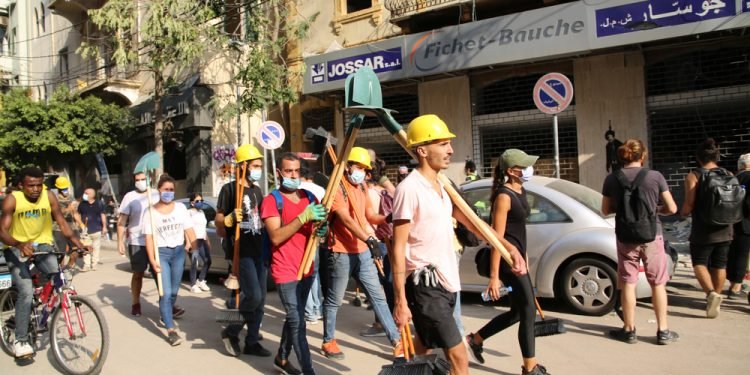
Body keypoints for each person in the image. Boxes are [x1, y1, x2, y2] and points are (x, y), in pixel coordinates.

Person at [391, 115, 489, 375]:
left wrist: (507, 247)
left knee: (423, 350)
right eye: (443, 144)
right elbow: (397, 247)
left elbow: (471, 222)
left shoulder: (443, 186)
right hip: (425, 283)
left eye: (449, 144)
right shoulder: (409, 189)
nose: (451, 150)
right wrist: (400, 301)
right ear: (422, 151)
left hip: (448, 281)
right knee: (458, 356)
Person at [463, 149, 547, 374]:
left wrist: (525, 253)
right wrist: (494, 277)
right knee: (528, 310)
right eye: (525, 165)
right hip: (507, 261)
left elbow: (518, 229)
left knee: (518, 313)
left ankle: (476, 339)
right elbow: (495, 237)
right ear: (511, 170)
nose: (530, 169)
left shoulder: (519, 190)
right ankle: (530, 366)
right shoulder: (503, 196)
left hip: (518, 258)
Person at [0, 167, 90, 359]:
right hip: (16, 247)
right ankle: (21, 339)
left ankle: (41, 310)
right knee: (25, 291)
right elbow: (2, 231)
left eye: (39, 185)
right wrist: (19, 243)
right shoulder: (12, 199)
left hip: (43, 244)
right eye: (31, 185)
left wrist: (78, 243)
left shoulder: (49, 196)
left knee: (58, 278)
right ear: (21, 185)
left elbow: (63, 223)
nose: (35, 189)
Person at [320, 146, 401, 360]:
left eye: (365, 169)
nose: (362, 172)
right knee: (334, 300)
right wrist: (369, 238)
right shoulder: (336, 186)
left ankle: (396, 340)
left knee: (378, 298)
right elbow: (345, 219)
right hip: (340, 252)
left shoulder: (363, 186)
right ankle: (328, 341)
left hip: (363, 252)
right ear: (347, 167)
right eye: (358, 167)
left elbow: (369, 216)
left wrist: (386, 218)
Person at [601, 139, 679, 345]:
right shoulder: (655, 176)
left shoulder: (611, 179)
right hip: (652, 234)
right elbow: (672, 208)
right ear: (642, 156)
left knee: (628, 281)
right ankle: (663, 331)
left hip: (625, 235)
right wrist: (657, 210)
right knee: (658, 283)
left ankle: (629, 329)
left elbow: (605, 209)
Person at [262, 153, 328, 375]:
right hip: (285, 271)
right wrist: (302, 218)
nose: (293, 175)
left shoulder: (309, 198)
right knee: (298, 323)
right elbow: (276, 237)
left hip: (307, 268)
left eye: (297, 171)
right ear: (279, 173)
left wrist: (322, 230)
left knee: (295, 316)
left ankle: (281, 358)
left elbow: (317, 231)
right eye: (288, 171)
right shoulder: (272, 201)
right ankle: (309, 370)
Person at [217, 143, 272, 358]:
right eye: (255, 165)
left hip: (259, 250)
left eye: (260, 164)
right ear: (243, 166)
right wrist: (229, 219)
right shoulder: (229, 189)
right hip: (242, 252)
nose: (258, 168)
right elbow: (219, 221)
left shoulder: (257, 190)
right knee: (254, 297)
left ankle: (252, 341)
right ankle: (231, 331)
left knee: (260, 301)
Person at [681, 138, 734, 318]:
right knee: (720, 263)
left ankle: (711, 294)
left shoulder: (694, 175)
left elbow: (689, 205)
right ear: (716, 156)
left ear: (698, 157)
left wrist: (682, 212)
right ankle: (716, 297)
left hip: (703, 227)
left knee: (699, 263)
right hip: (726, 226)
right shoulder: (728, 173)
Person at [143, 174, 198, 346]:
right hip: (162, 254)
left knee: (174, 292)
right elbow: (149, 239)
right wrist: (152, 260)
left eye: (171, 190)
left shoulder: (181, 208)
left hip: (178, 253)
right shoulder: (150, 212)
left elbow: (189, 230)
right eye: (165, 189)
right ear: (159, 190)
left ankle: (165, 311)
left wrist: (195, 249)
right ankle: (170, 329)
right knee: (165, 293)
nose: (168, 192)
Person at [117, 171, 161, 317]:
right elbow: (122, 221)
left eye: (143, 179)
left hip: (155, 240)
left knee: (159, 273)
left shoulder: (156, 194)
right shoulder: (129, 197)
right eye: (138, 179)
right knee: (138, 273)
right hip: (137, 240)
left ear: (149, 179)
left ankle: (166, 304)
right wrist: (120, 242)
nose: (140, 181)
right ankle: (135, 303)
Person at [299, 164, 325, 325]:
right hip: (317, 235)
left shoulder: (299, 190)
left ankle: (309, 312)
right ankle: (317, 308)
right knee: (315, 275)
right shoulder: (320, 189)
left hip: (303, 235)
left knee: (305, 274)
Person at [726, 153, 750, 299]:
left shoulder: (732, 178)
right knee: (742, 254)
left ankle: (733, 283)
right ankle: (736, 288)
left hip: (730, 220)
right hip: (746, 221)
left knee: (734, 253)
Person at [75, 187, 107, 271]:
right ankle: (87, 265)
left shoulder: (99, 203)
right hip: (85, 230)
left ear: (92, 195)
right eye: (84, 193)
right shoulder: (82, 204)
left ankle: (94, 264)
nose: (84, 195)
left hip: (97, 229)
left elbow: (103, 215)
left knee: (96, 248)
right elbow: (77, 214)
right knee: (86, 247)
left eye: (87, 193)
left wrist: (104, 227)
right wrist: (78, 224)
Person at [187, 193, 212, 293]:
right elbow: (186, 228)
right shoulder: (188, 212)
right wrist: (188, 242)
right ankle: (193, 285)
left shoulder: (202, 212)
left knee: (208, 260)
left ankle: (201, 280)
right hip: (193, 240)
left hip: (202, 239)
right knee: (194, 262)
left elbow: (203, 228)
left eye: (202, 200)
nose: (200, 203)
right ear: (192, 203)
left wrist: (208, 241)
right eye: (197, 201)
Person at [51, 176, 78, 259]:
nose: (65, 190)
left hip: (71, 226)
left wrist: (80, 224)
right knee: (60, 252)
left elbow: (75, 212)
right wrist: (68, 209)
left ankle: (70, 268)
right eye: (63, 188)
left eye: (66, 187)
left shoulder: (71, 197)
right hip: (58, 228)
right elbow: (54, 212)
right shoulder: (53, 197)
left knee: (76, 249)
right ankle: (60, 269)